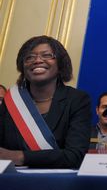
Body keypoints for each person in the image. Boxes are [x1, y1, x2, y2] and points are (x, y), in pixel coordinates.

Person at [0, 35, 92, 168]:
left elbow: (75, 156)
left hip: (55, 183)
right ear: (23, 67)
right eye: (30, 57)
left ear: (60, 64)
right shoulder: (11, 101)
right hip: (12, 182)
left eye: (47, 55)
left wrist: (20, 156)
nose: (37, 60)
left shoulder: (77, 100)